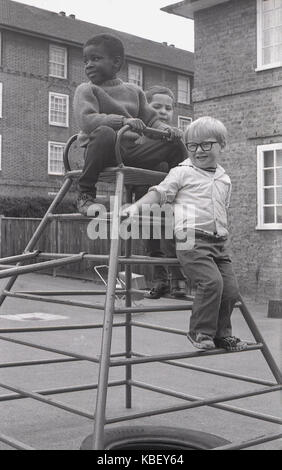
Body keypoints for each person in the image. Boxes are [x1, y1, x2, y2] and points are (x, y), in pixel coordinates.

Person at [124, 116, 248, 352]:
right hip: (191, 240)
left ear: (222, 145)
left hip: (219, 242)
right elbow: (159, 193)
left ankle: (222, 335)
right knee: (211, 283)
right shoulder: (181, 172)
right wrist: (134, 208)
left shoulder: (224, 178)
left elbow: (222, 209)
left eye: (206, 145)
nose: (198, 151)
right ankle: (200, 332)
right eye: (192, 145)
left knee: (231, 290)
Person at [73, 33, 184, 216]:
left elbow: (151, 120)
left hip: (129, 152)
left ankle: (178, 194)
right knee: (105, 133)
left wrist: (167, 130)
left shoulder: (134, 91)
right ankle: (85, 195)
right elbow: (87, 120)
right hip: (102, 152)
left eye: (95, 58)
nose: (89, 65)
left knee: (174, 144)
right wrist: (123, 121)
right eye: (86, 61)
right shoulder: (87, 90)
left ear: (116, 62)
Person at [134, 86, 187, 299]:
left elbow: (182, 166)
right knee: (151, 241)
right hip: (145, 196)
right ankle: (160, 280)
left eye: (168, 108)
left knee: (170, 238)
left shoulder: (172, 137)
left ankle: (178, 281)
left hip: (168, 198)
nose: (163, 111)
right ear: (146, 108)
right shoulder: (140, 135)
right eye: (157, 107)